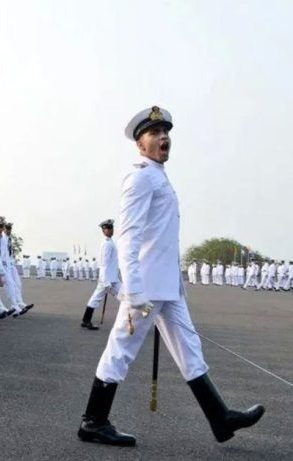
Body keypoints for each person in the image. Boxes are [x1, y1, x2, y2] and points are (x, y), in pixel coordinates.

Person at [78, 106, 263, 446]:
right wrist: (133, 292)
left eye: (166, 133)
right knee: (121, 350)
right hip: (146, 289)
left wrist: (176, 285)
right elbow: (129, 238)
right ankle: (93, 421)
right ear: (140, 144)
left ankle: (220, 418)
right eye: (155, 133)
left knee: (189, 348)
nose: (163, 138)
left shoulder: (159, 175)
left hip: (167, 288)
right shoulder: (139, 177)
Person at [80, 219, 119, 331]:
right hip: (108, 280)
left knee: (95, 298)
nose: (111, 230)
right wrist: (105, 281)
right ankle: (147, 315)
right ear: (103, 231)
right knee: (127, 297)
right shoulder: (107, 244)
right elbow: (104, 263)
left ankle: (85, 320)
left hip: (112, 278)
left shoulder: (111, 242)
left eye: (111, 228)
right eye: (108, 228)